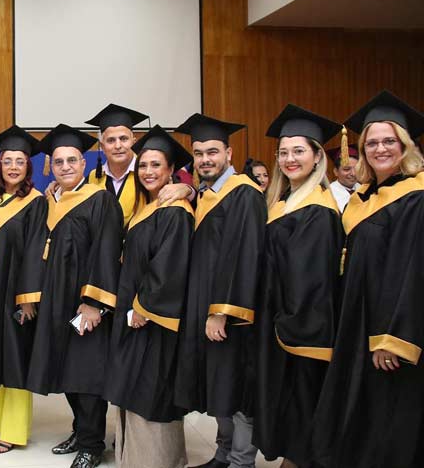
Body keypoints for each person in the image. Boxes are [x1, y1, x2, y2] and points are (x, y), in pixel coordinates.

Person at [313, 90, 424, 468]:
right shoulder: (364, 197)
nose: (379, 149)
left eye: (389, 141)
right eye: (372, 142)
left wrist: (392, 339)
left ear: (405, 145)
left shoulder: (415, 197)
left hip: (388, 334)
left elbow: (412, 272)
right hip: (357, 325)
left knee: (388, 424)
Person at [17, 124, 123, 468]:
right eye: (59, 161)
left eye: (72, 160)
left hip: (83, 302)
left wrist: (92, 303)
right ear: (51, 165)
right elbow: (36, 249)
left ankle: (93, 443)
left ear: (83, 163)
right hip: (53, 301)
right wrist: (31, 297)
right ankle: (81, 430)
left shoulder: (99, 199)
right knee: (65, 370)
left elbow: (106, 251)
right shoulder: (48, 200)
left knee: (87, 372)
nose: (65, 167)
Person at [173, 114, 267, 468]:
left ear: (229, 152)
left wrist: (221, 311)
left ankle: (242, 461)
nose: (205, 159)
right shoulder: (206, 195)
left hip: (231, 314)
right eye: (198, 154)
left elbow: (245, 255)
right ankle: (222, 454)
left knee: (237, 387)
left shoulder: (244, 194)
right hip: (207, 308)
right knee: (219, 385)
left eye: (212, 152)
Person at [253, 105, 345, 468]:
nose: (290, 159)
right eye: (284, 152)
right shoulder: (284, 202)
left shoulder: (318, 210)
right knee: (289, 412)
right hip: (280, 323)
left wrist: (285, 326)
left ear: (318, 156)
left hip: (301, 333)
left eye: (299, 151)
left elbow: (311, 279)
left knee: (303, 407)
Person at [103, 125, 194, 468]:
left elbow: (170, 265)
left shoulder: (174, 210)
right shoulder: (149, 207)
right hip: (135, 318)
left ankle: (156, 461)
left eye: (157, 165)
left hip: (153, 321)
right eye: (143, 165)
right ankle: (134, 458)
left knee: (151, 391)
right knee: (134, 388)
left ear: (171, 170)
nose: (148, 172)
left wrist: (143, 307)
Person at [0, 126, 46, 454]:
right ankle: (1, 424)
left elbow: (35, 252)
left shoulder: (35, 203)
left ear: (28, 167)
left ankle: (15, 431)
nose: (14, 166)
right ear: (0, 165)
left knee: (16, 359)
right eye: (8, 161)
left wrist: (28, 299)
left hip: (16, 294)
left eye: (20, 161)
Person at [85, 104, 193, 224]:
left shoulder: (150, 175)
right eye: (111, 140)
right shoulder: (92, 178)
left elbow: (187, 195)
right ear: (102, 146)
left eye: (124, 139)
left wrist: (188, 189)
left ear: (134, 142)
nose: (118, 146)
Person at [325, 144, 359, 212]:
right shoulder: (329, 193)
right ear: (336, 172)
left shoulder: (364, 189)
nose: (353, 173)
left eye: (356, 169)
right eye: (346, 169)